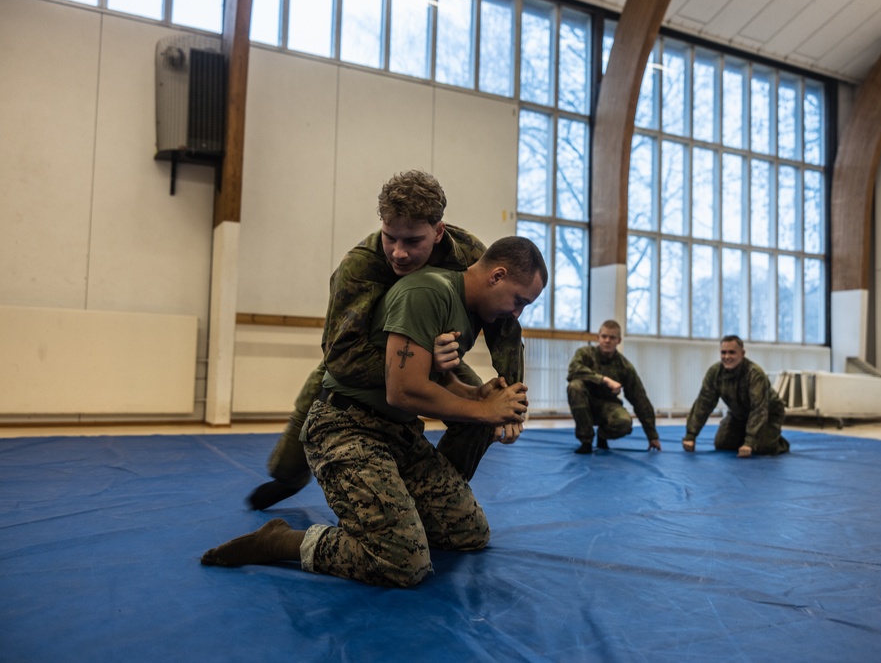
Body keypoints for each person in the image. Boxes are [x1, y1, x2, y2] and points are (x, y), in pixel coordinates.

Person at [202, 236, 548, 587]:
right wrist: (484, 410)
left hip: (398, 432)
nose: (517, 313)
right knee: (402, 562)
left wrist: (477, 395)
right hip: (346, 426)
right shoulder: (423, 290)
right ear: (497, 275)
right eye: (518, 301)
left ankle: (396, 517)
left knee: (469, 533)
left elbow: (434, 373)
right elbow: (403, 390)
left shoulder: (467, 300)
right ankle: (280, 540)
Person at [246, 170, 524, 511]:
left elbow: (505, 325)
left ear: (438, 232)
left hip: (433, 357)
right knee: (287, 463)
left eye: (412, 241)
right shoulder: (360, 266)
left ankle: (436, 500)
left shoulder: (468, 254)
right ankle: (288, 477)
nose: (398, 252)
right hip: (361, 364)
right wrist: (425, 363)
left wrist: (512, 398)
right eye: (390, 237)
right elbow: (340, 357)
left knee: (484, 414)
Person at [682, 335, 790, 458]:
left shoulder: (755, 374)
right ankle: (748, 435)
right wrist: (691, 436)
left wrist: (749, 443)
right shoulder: (715, 372)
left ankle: (777, 441)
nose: (727, 357)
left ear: (742, 354)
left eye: (732, 352)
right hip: (738, 414)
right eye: (723, 353)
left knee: (760, 448)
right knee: (722, 444)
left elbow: (759, 409)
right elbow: (703, 403)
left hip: (768, 414)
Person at [566, 319, 662, 454]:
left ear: (619, 340)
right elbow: (573, 371)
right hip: (585, 405)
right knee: (574, 386)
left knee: (624, 423)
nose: (607, 340)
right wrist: (605, 380)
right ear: (598, 337)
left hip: (608, 407)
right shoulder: (584, 354)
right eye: (604, 336)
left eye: (612, 337)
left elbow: (640, 400)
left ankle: (602, 436)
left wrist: (652, 436)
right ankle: (586, 441)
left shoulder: (625, 367)